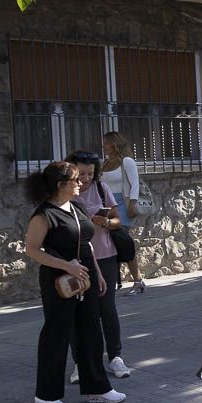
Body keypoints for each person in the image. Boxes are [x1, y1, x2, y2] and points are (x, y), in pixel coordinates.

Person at [24, 161, 126, 403]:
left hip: (85, 277)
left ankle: (97, 388)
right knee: (57, 334)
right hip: (59, 281)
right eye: (75, 180)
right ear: (61, 185)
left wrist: (97, 273)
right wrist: (65, 265)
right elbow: (32, 250)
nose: (81, 183)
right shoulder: (43, 215)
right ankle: (45, 396)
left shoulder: (76, 206)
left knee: (91, 331)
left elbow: (87, 243)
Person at [67, 151, 129, 381]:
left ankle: (115, 357)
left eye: (90, 174)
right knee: (78, 311)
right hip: (76, 259)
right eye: (81, 173)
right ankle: (80, 363)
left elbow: (117, 220)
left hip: (105, 255)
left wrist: (107, 222)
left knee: (107, 308)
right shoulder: (65, 192)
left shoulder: (101, 189)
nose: (85, 179)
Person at [99, 131, 144, 293]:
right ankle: (115, 280)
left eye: (107, 142)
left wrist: (132, 204)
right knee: (111, 243)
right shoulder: (104, 163)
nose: (104, 146)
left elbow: (135, 184)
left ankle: (138, 280)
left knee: (122, 241)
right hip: (108, 206)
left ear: (115, 144)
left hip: (123, 204)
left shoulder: (127, 161)